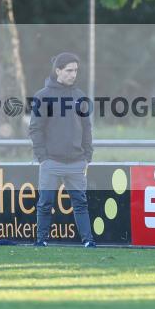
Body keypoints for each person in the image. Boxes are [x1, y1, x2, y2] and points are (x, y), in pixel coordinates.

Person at [28, 53, 96, 247]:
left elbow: (86, 127)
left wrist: (87, 155)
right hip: (51, 162)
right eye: (69, 70)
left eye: (75, 70)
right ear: (58, 71)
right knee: (45, 203)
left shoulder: (80, 96)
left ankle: (88, 241)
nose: (73, 74)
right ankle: (41, 241)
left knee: (80, 204)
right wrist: (43, 157)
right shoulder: (43, 96)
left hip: (76, 161)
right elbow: (35, 129)